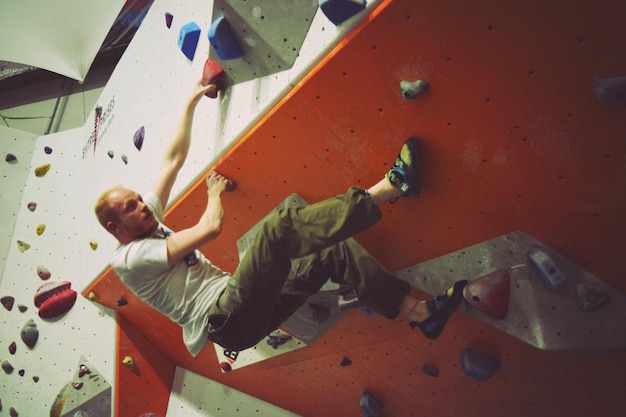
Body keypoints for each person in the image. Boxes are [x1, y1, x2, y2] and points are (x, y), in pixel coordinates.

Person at [94, 80, 467, 356]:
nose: (142, 205)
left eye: (138, 199)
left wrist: (190, 102)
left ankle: (420, 314)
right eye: (130, 207)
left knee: (329, 252)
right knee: (277, 230)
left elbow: (171, 161)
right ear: (116, 228)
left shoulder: (147, 221)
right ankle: (392, 187)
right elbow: (210, 227)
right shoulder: (129, 259)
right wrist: (213, 193)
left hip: (245, 314)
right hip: (225, 317)